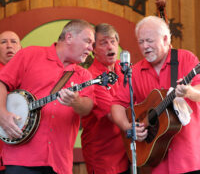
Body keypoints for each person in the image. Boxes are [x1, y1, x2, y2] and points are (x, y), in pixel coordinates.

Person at [0, 19, 95, 174]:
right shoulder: (29, 54)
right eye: (88, 41)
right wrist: (2, 114)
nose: (91, 48)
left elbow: (87, 107)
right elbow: (2, 82)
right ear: (69, 37)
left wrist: (76, 101)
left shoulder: (84, 75)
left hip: (59, 163)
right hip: (21, 157)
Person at [111, 16, 200, 174]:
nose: (145, 46)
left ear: (165, 39)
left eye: (149, 41)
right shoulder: (135, 72)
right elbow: (117, 105)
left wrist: (189, 91)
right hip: (156, 160)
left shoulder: (186, 59)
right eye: (141, 42)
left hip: (189, 157)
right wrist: (129, 127)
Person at [81, 23, 130, 174]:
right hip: (105, 157)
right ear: (93, 49)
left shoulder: (124, 69)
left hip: (128, 151)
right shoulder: (91, 77)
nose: (110, 47)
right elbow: (113, 114)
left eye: (113, 41)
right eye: (104, 43)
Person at [0, 31, 22, 174]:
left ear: (21, 48)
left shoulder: (29, 73)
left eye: (13, 42)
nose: (9, 46)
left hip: (21, 154)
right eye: (3, 42)